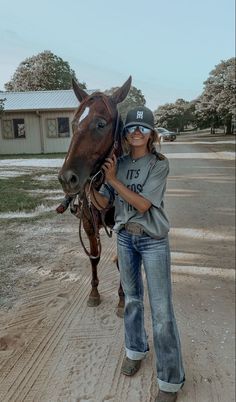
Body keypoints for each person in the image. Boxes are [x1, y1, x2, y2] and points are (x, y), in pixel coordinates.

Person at [86, 106, 185, 402]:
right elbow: (103, 203)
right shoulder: (119, 163)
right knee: (131, 300)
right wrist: (88, 185)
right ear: (126, 134)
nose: (137, 132)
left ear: (151, 133)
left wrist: (114, 179)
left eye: (143, 128)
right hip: (126, 239)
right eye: (132, 128)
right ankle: (135, 350)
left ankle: (169, 381)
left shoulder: (159, 164)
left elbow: (143, 206)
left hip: (153, 240)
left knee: (162, 311)